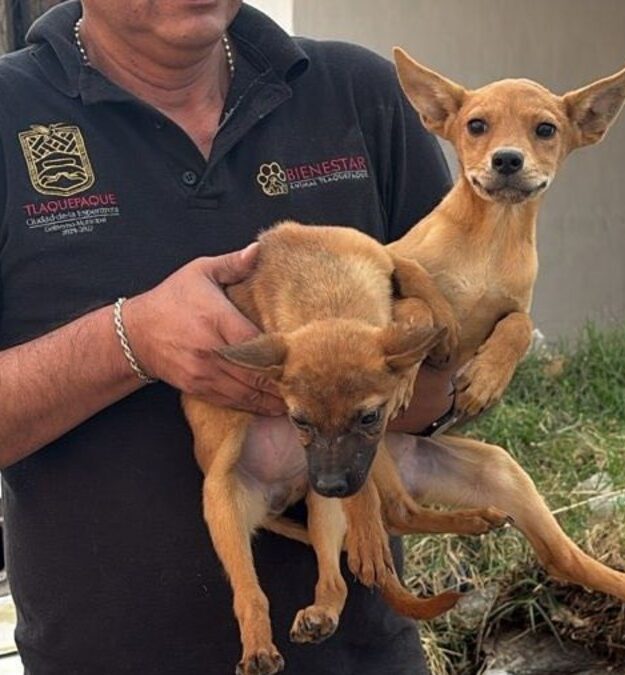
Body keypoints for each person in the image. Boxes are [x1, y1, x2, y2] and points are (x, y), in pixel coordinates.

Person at [0, 0, 454, 672]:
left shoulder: (361, 96)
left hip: (361, 657)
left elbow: (451, 376)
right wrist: (129, 340)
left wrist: (414, 369)